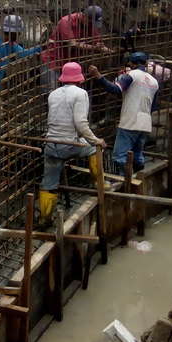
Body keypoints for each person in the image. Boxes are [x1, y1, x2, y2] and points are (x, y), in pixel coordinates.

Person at [39, 62, 106, 228]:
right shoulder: (80, 94)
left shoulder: (53, 94)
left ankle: (45, 218)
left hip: (51, 144)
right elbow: (81, 124)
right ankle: (99, 184)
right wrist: (97, 141)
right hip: (68, 145)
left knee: (49, 182)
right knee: (93, 148)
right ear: (79, 79)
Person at [88, 52, 159, 174]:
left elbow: (115, 89)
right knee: (137, 155)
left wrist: (98, 76)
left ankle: (124, 182)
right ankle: (138, 179)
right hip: (145, 123)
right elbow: (154, 106)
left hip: (130, 122)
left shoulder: (132, 75)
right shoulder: (154, 81)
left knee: (120, 156)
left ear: (132, 63)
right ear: (145, 63)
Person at [41, 6, 110, 91]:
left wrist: (108, 50)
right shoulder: (66, 21)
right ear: (84, 16)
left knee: (75, 93)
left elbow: (98, 43)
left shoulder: (90, 25)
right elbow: (72, 43)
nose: (91, 25)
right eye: (90, 22)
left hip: (71, 65)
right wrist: (95, 47)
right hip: (53, 61)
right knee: (52, 91)